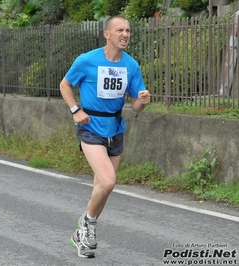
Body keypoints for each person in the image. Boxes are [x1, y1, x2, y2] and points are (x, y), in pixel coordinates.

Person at [60, 15, 151, 258]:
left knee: (102, 186)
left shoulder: (131, 65)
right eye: (120, 30)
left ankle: (83, 237)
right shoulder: (87, 60)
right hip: (90, 126)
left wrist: (142, 101)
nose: (125, 34)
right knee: (109, 181)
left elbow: (135, 105)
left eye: (128, 31)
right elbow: (65, 85)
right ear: (107, 34)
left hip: (115, 128)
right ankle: (87, 223)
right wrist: (75, 110)